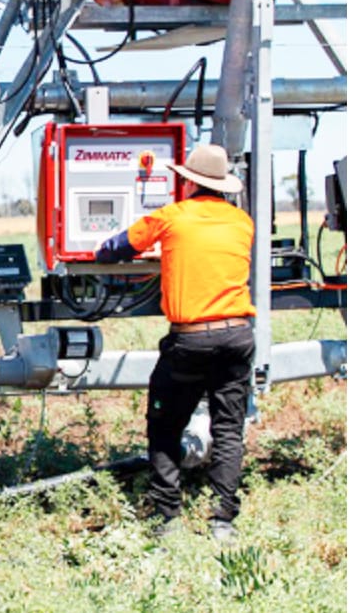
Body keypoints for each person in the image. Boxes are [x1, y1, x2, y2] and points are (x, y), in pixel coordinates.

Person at [95, 144, 255, 542]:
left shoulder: (172, 217)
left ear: (188, 182)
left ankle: (168, 519)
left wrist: (104, 250)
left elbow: (116, 247)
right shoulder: (242, 222)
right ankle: (222, 522)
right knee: (228, 429)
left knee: (165, 425)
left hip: (192, 341)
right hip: (238, 335)